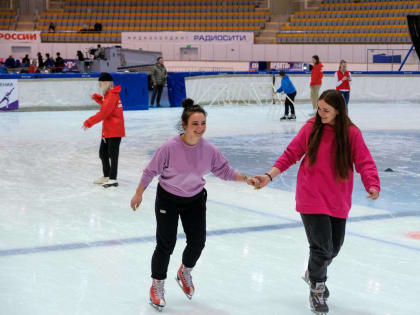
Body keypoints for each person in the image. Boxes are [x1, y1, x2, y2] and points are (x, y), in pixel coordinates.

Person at [251, 89, 380, 314]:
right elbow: (291, 153)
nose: (320, 114)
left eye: (326, 110)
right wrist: (269, 176)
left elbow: (364, 161)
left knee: (334, 248)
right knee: (321, 249)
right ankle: (317, 290)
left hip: (337, 199)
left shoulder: (351, 133)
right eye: (319, 109)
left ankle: (313, 273)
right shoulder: (311, 128)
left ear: (339, 111)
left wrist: (372, 183)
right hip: (311, 196)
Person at [130, 98, 254, 311]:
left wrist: (246, 178)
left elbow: (224, 170)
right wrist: (138, 193)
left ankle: (184, 271)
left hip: (195, 199)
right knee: (165, 244)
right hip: (168, 198)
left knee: (198, 242)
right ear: (185, 125)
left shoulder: (209, 149)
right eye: (195, 124)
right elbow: (150, 170)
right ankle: (157, 285)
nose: (200, 128)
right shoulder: (169, 147)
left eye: (203, 123)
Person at [82, 73, 125, 188]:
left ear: (105, 83)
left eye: (100, 84)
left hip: (114, 130)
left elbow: (104, 112)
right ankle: (106, 175)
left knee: (112, 154)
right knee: (103, 153)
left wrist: (89, 122)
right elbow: (108, 107)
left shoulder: (112, 95)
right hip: (108, 130)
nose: (100, 86)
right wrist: (98, 99)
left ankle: (113, 179)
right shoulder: (109, 95)